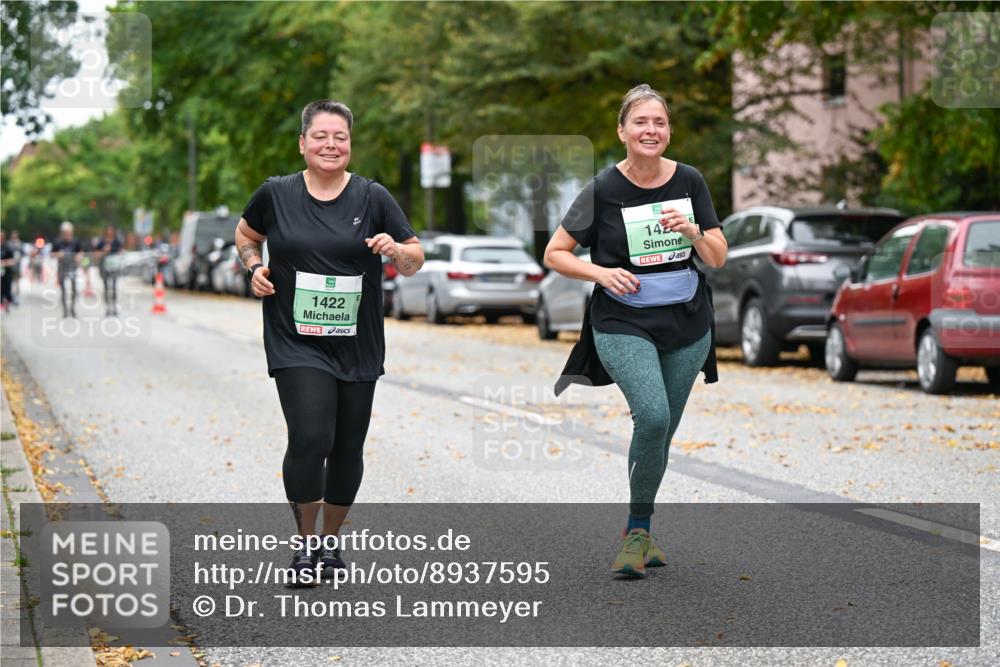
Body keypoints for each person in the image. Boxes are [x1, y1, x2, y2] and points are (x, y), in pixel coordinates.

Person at [234, 99, 424, 583]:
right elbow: (245, 234)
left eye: (340, 137)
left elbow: (414, 258)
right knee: (311, 435)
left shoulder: (372, 197)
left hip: (357, 341)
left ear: (350, 145)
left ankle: (330, 544)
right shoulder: (275, 194)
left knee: (346, 446)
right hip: (295, 338)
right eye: (320, 136)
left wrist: (396, 249)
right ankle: (304, 546)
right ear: (302, 143)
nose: (330, 145)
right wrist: (253, 268)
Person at [545, 84, 728, 578]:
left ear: (668, 131)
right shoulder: (603, 189)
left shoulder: (689, 180)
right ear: (622, 131)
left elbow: (717, 255)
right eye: (641, 123)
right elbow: (555, 252)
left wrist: (692, 232)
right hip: (623, 320)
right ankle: (637, 534)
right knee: (650, 416)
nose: (651, 131)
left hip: (687, 323)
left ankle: (639, 531)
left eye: (660, 123)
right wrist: (600, 274)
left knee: (662, 430)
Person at [51, 221, 85, 319]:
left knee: (74, 290)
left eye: (69, 232)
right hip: (62, 268)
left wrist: (79, 257)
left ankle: (72, 308)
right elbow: (52, 253)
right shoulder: (57, 242)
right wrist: (58, 254)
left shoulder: (76, 241)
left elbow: (81, 252)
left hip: (72, 268)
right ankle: (65, 310)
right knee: (63, 290)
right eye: (65, 233)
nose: (67, 235)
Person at [93, 225, 124, 317]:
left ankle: (114, 307)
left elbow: (120, 252)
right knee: (106, 287)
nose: (109, 233)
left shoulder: (117, 242)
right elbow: (96, 255)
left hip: (114, 267)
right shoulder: (101, 242)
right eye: (108, 231)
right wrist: (104, 251)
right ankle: (108, 308)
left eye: (111, 231)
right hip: (104, 267)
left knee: (114, 287)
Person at [0, 231, 15, 311]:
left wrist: (4, 263)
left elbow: (13, 260)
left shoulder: (8, 247)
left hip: (6, 272)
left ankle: (7, 302)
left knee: (7, 289)